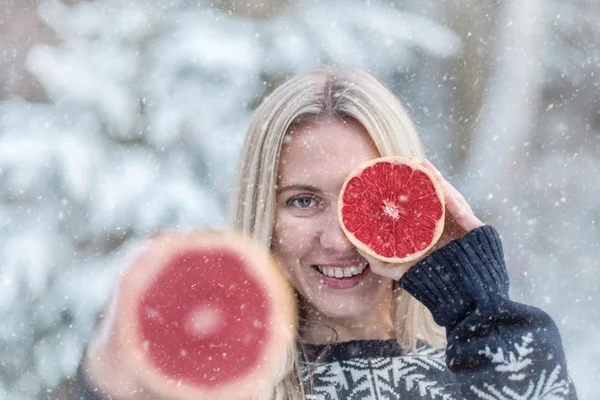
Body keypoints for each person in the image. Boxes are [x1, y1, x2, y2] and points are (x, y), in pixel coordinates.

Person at [57, 67, 577, 399]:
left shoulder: (476, 358)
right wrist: (108, 385)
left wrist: (478, 304)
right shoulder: (227, 386)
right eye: (303, 201)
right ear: (264, 210)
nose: (338, 240)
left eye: (367, 200)